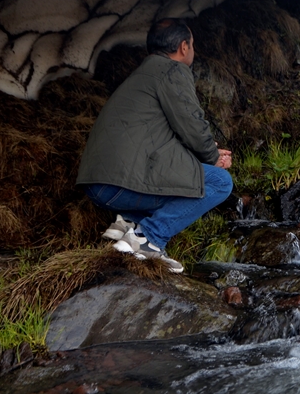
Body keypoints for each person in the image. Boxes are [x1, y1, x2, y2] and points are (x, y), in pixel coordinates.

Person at [77, 18, 233, 273]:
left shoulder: (141, 75)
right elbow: (192, 124)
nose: (192, 50)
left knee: (188, 176)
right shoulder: (172, 71)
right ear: (184, 47)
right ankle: (148, 238)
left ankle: (128, 225)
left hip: (97, 182)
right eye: (192, 45)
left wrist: (206, 153)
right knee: (220, 182)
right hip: (119, 183)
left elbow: (163, 141)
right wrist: (213, 157)